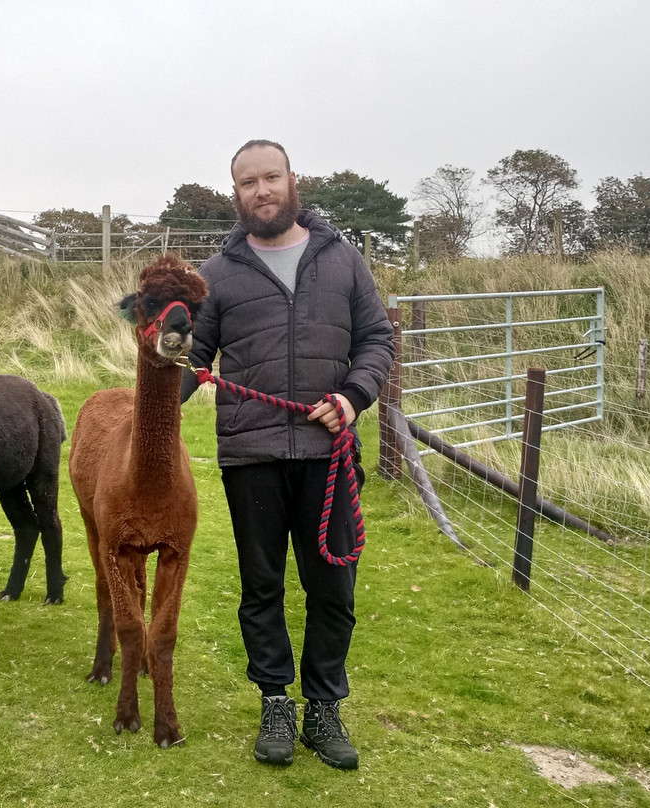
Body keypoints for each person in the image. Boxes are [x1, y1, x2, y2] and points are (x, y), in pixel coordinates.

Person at [180, 140, 395, 769]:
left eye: (270, 177)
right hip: (252, 453)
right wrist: (164, 379)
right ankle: (275, 701)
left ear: (291, 180)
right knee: (262, 584)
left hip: (329, 453)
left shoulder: (343, 261)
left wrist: (354, 397)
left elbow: (377, 338)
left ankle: (324, 708)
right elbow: (194, 358)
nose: (261, 190)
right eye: (248, 182)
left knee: (333, 587)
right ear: (236, 193)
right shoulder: (216, 275)